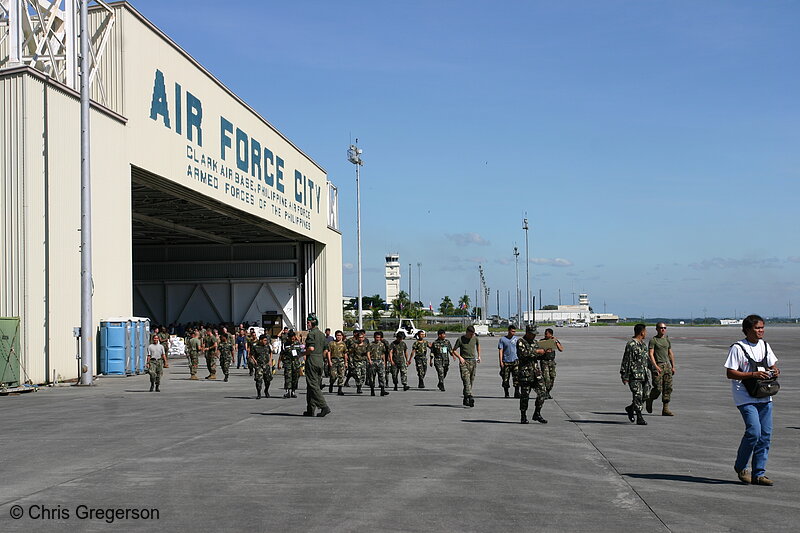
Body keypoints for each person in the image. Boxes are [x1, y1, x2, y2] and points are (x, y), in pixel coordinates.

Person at [724, 314, 780, 486]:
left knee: (765, 435)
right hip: (745, 397)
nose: (760, 331)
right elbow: (730, 373)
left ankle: (759, 474)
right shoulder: (738, 348)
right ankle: (741, 466)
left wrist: (775, 371)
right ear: (747, 330)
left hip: (764, 396)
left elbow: (772, 365)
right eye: (757, 328)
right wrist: (753, 374)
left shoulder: (764, 345)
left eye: (762, 327)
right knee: (754, 432)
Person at [620, 323, 651, 426]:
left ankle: (630, 408)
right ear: (642, 332)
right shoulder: (631, 344)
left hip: (644, 375)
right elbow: (626, 360)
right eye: (645, 331)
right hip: (634, 375)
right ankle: (639, 417)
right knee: (638, 395)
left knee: (645, 395)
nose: (646, 333)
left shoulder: (643, 344)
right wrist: (625, 375)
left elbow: (646, 359)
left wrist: (654, 369)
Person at [516, 325, 547, 424]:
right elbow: (523, 354)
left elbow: (537, 356)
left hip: (536, 372)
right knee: (525, 396)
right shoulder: (521, 341)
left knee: (542, 392)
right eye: (532, 334)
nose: (534, 336)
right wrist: (536, 351)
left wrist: (544, 352)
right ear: (527, 333)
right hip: (525, 373)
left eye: (535, 334)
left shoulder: (535, 342)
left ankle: (537, 413)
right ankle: (523, 416)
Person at [303, 314, 331, 417]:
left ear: (312, 323)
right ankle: (310, 409)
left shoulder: (311, 334)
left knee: (313, 385)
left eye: (308, 322)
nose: (307, 324)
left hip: (312, 360)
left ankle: (324, 406)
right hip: (320, 360)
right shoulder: (322, 334)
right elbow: (325, 349)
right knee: (312, 386)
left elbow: (311, 349)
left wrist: (301, 354)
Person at [647, 322, 675, 416]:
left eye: (664, 328)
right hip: (658, 366)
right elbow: (650, 354)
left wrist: (673, 366)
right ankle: (650, 399)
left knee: (668, 388)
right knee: (658, 388)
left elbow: (670, 353)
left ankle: (665, 409)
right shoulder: (653, 340)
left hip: (667, 366)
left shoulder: (667, 340)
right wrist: (655, 366)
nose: (663, 329)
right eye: (661, 328)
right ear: (657, 329)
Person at [453, 325, 481, 407]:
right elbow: (454, 350)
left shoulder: (475, 338)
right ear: (467, 332)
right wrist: (460, 357)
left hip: (473, 361)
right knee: (466, 380)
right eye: (471, 334)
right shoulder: (460, 339)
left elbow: (478, 345)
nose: (472, 336)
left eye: (473, 334)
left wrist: (479, 355)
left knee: (471, 380)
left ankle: (465, 397)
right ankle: (470, 396)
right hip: (464, 362)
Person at [537, 328, 564, 400]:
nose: (545, 335)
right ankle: (544, 392)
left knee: (552, 377)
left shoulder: (554, 341)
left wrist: (556, 341)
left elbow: (561, 349)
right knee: (546, 378)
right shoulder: (542, 341)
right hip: (544, 361)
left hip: (551, 361)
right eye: (545, 333)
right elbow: (537, 350)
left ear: (551, 334)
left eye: (547, 334)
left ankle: (548, 392)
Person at [279, 331, 303, 398]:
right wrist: (279, 363)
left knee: (295, 377)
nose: (292, 339)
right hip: (288, 363)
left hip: (296, 363)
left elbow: (303, 350)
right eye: (291, 338)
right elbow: (282, 354)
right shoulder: (285, 344)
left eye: (293, 337)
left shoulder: (297, 343)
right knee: (288, 377)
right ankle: (287, 391)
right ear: (288, 338)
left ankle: (293, 391)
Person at [498, 326, 519, 398]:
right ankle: (506, 393)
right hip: (506, 361)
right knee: (505, 378)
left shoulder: (516, 339)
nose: (513, 333)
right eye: (512, 331)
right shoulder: (503, 339)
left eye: (514, 331)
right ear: (508, 331)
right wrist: (501, 362)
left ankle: (517, 392)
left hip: (515, 361)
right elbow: (501, 351)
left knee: (516, 378)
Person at [249, 334, 273, 399]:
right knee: (258, 380)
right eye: (264, 340)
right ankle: (259, 393)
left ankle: (266, 390)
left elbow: (271, 352)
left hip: (266, 365)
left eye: (266, 340)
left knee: (268, 380)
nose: (266, 341)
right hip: (259, 366)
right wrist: (254, 361)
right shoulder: (255, 346)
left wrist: (270, 360)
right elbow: (251, 354)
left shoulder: (267, 346)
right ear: (260, 340)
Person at [367, 331, 390, 396]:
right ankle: (372, 390)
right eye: (377, 337)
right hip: (373, 361)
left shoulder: (382, 344)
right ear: (374, 337)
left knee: (381, 376)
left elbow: (383, 353)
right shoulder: (371, 344)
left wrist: (384, 361)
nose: (378, 339)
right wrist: (369, 360)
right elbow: (368, 352)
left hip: (380, 362)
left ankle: (382, 390)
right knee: (372, 377)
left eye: (379, 337)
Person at [326, 330, 348, 395]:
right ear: (335, 336)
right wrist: (329, 361)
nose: (338, 337)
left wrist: (346, 362)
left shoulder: (343, 344)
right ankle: (331, 384)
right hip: (334, 360)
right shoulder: (331, 343)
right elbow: (329, 352)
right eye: (337, 335)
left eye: (340, 335)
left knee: (341, 375)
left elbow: (345, 353)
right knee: (333, 375)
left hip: (341, 361)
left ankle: (340, 389)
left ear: (342, 336)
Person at [347, 330, 369, 394]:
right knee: (358, 375)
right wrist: (351, 362)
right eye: (359, 337)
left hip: (364, 362)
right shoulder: (354, 345)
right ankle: (358, 387)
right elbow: (351, 354)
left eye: (362, 337)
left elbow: (368, 353)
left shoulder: (366, 345)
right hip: (356, 362)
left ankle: (360, 385)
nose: (361, 339)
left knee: (363, 376)